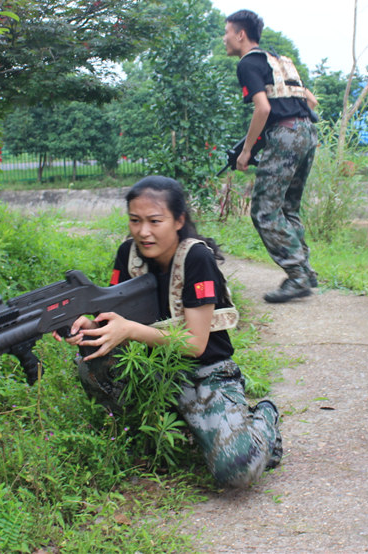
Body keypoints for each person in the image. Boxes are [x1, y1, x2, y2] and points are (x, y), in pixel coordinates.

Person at [55, 175, 282, 487]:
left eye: (154, 221)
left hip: (207, 375)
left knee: (238, 468)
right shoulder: (129, 255)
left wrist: (130, 330)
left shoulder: (196, 258)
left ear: (178, 220)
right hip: (153, 371)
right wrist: (91, 327)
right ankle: (137, 433)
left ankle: (265, 418)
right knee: (93, 359)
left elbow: (196, 344)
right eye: (135, 220)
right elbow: (114, 322)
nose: (143, 231)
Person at [223, 10, 319, 303]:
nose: (224, 38)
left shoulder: (248, 63)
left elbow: (263, 109)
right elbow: (310, 99)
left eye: (226, 32)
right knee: (288, 206)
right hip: (307, 131)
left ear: (241, 35)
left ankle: (297, 276)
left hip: (285, 135)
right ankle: (306, 270)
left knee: (264, 210)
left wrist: (248, 150)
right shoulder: (278, 60)